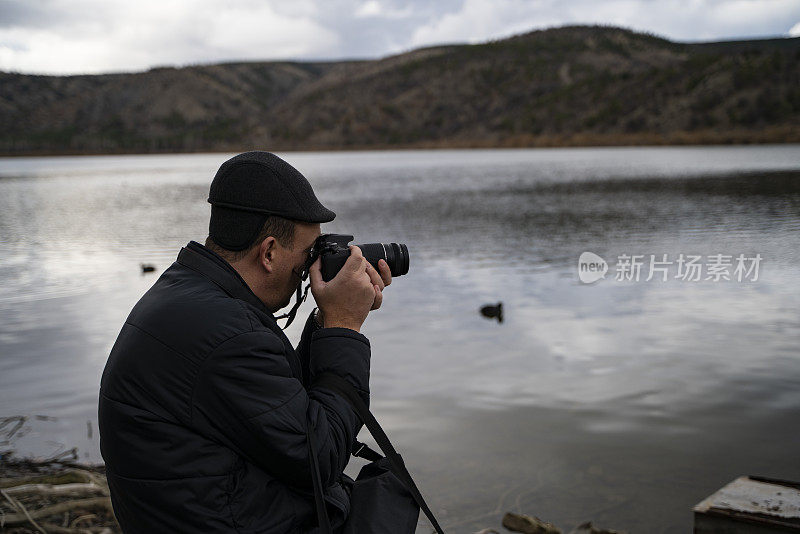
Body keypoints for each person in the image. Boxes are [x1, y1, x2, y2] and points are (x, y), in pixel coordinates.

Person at [98, 151, 391, 533]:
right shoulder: (227, 335)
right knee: (387, 506)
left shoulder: (189, 294)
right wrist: (344, 327)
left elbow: (281, 408)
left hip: (206, 513)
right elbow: (321, 460)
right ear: (268, 252)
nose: (309, 270)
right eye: (307, 256)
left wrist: (324, 321)